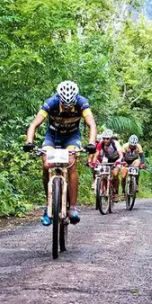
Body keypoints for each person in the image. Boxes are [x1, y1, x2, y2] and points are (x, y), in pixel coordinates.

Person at [23, 81, 97, 226]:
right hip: (53, 137)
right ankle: (48, 206)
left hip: (71, 137)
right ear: (59, 99)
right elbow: (34, 124)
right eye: (65, 105)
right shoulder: (51, 103)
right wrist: (29, 141)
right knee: (46, 164)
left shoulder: (82, 103)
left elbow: (91, 124)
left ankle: (73, 208)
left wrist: (92, 143)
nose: (68, 109)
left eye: (71, 106)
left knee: (71, 163)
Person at [94, 129, 124, 201]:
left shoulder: (115, 143)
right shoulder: (101, 143)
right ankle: (105, 188)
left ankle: (116, 192)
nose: (105, 140)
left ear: (110, 138)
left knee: (115, 174)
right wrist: (94, 162)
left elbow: (121, 155)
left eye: (107, 138)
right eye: (104, 138)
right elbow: (97, 153)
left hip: (116, 159)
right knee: (103, 173)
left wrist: (119, 160)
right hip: (107, 158)